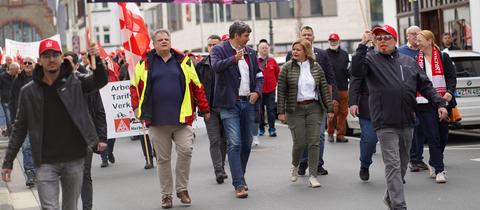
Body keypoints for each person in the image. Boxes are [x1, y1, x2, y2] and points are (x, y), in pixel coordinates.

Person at [1, 39, 108, 209]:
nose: (51, 59)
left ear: (61, 58)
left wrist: (98, 60)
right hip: (45, 161)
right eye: (46, 55)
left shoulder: (76, 81)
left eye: (55, 55)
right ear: (40, 60)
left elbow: (99, 81)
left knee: (69, 206)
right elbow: (19, 128)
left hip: (74, 157)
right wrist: (8, 162)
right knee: (49, 207)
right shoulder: (28, 91)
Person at [351, 25, 448, 210]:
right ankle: (398, 205)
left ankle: (390, 196)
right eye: (378, 38)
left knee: (402, 164)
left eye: (386, 37)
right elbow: (355, 71)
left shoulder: (408, 61)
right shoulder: (370, 59)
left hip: (407, 119)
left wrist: (440, 103)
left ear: (395, 40)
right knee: (393, 164)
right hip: (384, 121)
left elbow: (425, 86)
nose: (382, 41)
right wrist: (362, 45)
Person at [130, 29, 210, 209]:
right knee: (163, 160)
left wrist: (205, 108)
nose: (164, 41)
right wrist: (136, 107)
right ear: (154, 43)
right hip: (157, 121)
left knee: (186, 150)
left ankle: (182, 189)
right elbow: (134, 87)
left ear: (170, 41)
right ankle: (166, 195)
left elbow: (197, 86)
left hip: (181, 120)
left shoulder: (184, 61)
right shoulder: (145, 63)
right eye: (160, 40)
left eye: (167, 39)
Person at [210, 21, 263, 198]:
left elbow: (259, 75)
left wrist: (257, 91)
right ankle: (239, 183)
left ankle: (239, 175)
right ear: (236, 36)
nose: (248, 39)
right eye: (246, 36)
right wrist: (234, 59)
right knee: (234, 143)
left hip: (248, 102)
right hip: (229, 103)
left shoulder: (251, 52)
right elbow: (216, 67)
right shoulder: (219, 49)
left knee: (247, 144)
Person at [277, 38, 333, 188]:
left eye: (298, 49)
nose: (294, 52)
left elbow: (323, 90)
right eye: (293, 49)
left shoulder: (316, 67)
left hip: (314, 108)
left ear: (306, 52)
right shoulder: (286, 68)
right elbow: (281, 91)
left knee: (314, 142)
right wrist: (280, 112)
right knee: (300, 142)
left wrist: (329, 109)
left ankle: (313, 175)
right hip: (295, 110)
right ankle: (295, 165)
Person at [286, 25, 336, 176]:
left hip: (317, 103)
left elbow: (329, 78)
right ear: (300, 37)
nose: (307, 37)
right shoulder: (291, 54)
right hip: (298, 105)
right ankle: (302, 162)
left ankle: (318, 164)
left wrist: (330, 103)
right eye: (304, 35)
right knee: (302, 137)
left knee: (318, 136)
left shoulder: (321, 54)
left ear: (313, 37)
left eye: (309, 35)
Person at [64, 51, 108, 210]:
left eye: (68, 63)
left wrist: (102, 138)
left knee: (84, 175)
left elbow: (99, 111)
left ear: (76, 65)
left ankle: (87, 208)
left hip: (84, 137)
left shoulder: (86, 82)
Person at [415, 30, 457, 183]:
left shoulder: (443, 57)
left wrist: (449, 92)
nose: (417, 43)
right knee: (433, 135)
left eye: (420, 40)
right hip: (424, 103)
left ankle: (434, 161)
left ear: (429, 41)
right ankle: (440, 170)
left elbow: (452, 77)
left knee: (443, 136)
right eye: (416, 40)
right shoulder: (415, 60)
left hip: (444, 101)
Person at [196, 34, 229, 184]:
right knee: (214, 139)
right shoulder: (201, 66)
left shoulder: (227, 63)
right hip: (210, 109)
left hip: (226, 107)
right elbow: (197, 89)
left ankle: (221, 165)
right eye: (210, 45)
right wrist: (202, 109)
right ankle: (219, 170)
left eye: (215, 44)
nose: (212, 47)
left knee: (224, 139)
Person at [9, 57, 36, 187]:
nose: (26, 65)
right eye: (24, 63)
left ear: (35, 64)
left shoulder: (41, 77)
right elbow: (12, 100)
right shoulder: (17, 80)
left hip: (40, 119)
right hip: (24, 119)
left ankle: (43, 171)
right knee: (26, 147)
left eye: (29, 63)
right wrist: (14, 119)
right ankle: (30, 172)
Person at [325, 33, 350, 143]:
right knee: (332, 113)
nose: (333, 42)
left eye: (334, 40)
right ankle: (330, 133)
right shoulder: (325, 54)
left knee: (343, 113)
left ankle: (340, 135)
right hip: (331, 89)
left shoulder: (344, 54)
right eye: (331, 41)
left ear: (339, 41)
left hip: (344, 88)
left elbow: (348, 70)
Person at [257, 39, 280, 138]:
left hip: (270, 90)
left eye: (266, 48)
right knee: (260, 111)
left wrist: (276, 84)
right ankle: (261, 128)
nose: (265, 49)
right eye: (262, 48)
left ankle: (272, 129)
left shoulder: (272, 60)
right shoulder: (255, 61)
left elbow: (277, 73)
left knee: (271, 110)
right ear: (258, 49)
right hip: (259, 90)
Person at [0, 62, 18, 136]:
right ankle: (11, 135)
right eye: (16, 71)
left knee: (14, 117)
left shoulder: (16, 76)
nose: (17, 72)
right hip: (5, 99)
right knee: (8, 117)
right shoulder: (2, 76)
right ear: (11, 69)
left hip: (15, 99)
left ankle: (12, 133)